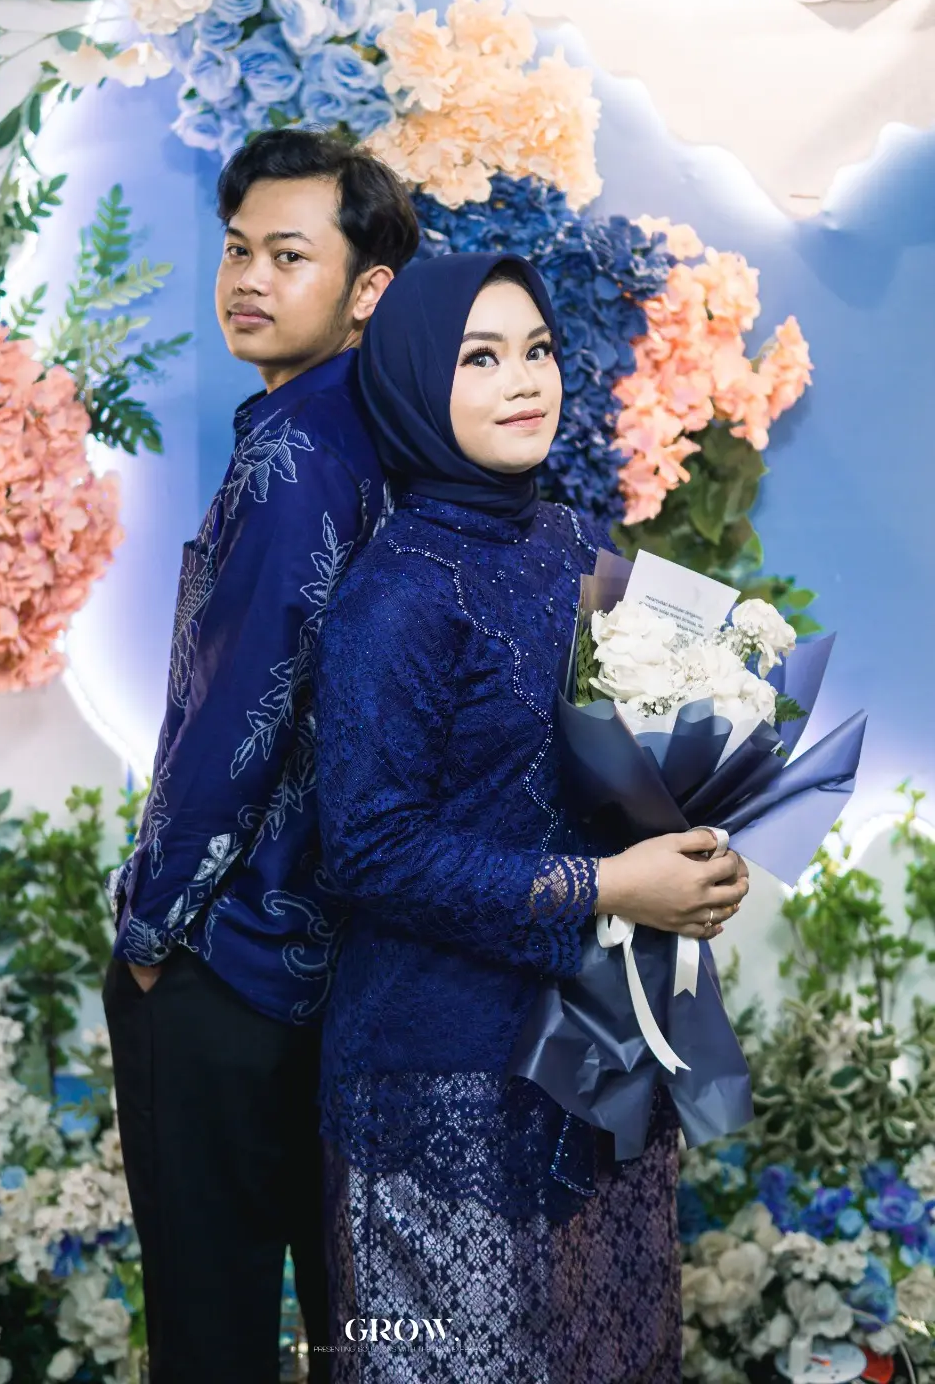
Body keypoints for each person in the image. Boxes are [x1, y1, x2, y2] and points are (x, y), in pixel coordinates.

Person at [312, 252, 751, 1383]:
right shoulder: (396, 591)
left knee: (608, 1355)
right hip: (440, 1074)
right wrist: (613, 885)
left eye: (539, 350)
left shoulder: (569, 543)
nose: (525, 381)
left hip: (592, 1047)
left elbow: (627, 758)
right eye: (480, 358)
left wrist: (700, 840)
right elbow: (365, 848)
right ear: (415, 381)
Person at [102, 129, 420, 1384]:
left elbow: (241, 711)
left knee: (211, 1332)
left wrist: (150, 931)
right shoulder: (384, 435)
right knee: (353, 1326)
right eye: (238, 249)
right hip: (341, 966)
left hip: (228, 957)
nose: (247, 278)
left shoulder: (298, 454)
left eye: (289, 255)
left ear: (368, 288)